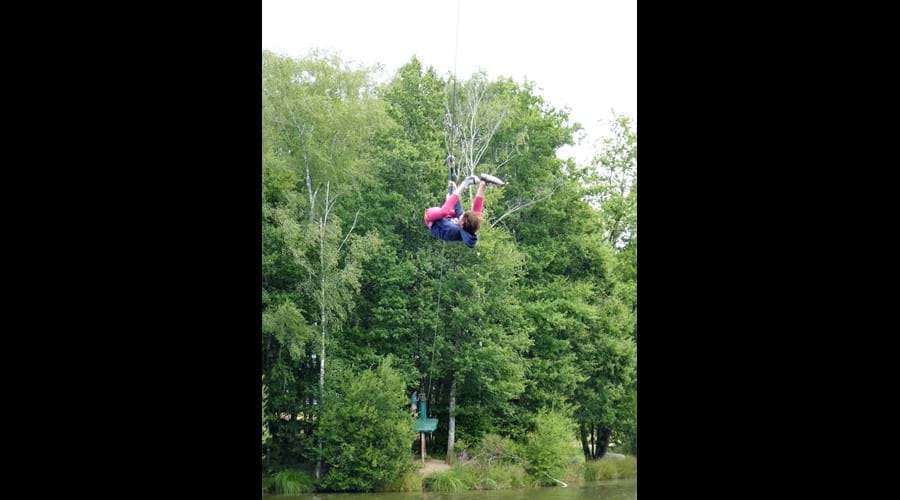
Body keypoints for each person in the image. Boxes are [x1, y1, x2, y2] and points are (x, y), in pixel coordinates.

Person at [423, 169, 505, 248]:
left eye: (462, 217)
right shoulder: (469, 227)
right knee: (476, 215)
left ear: (462, 223)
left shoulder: (452, 230)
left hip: (432, 220)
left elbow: (443, 215)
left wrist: (449, 201)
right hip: (449, 217)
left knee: (444, 212)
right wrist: (455, 190)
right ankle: (483, 184)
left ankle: (465, 183)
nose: (461, 215)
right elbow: (458, 210)